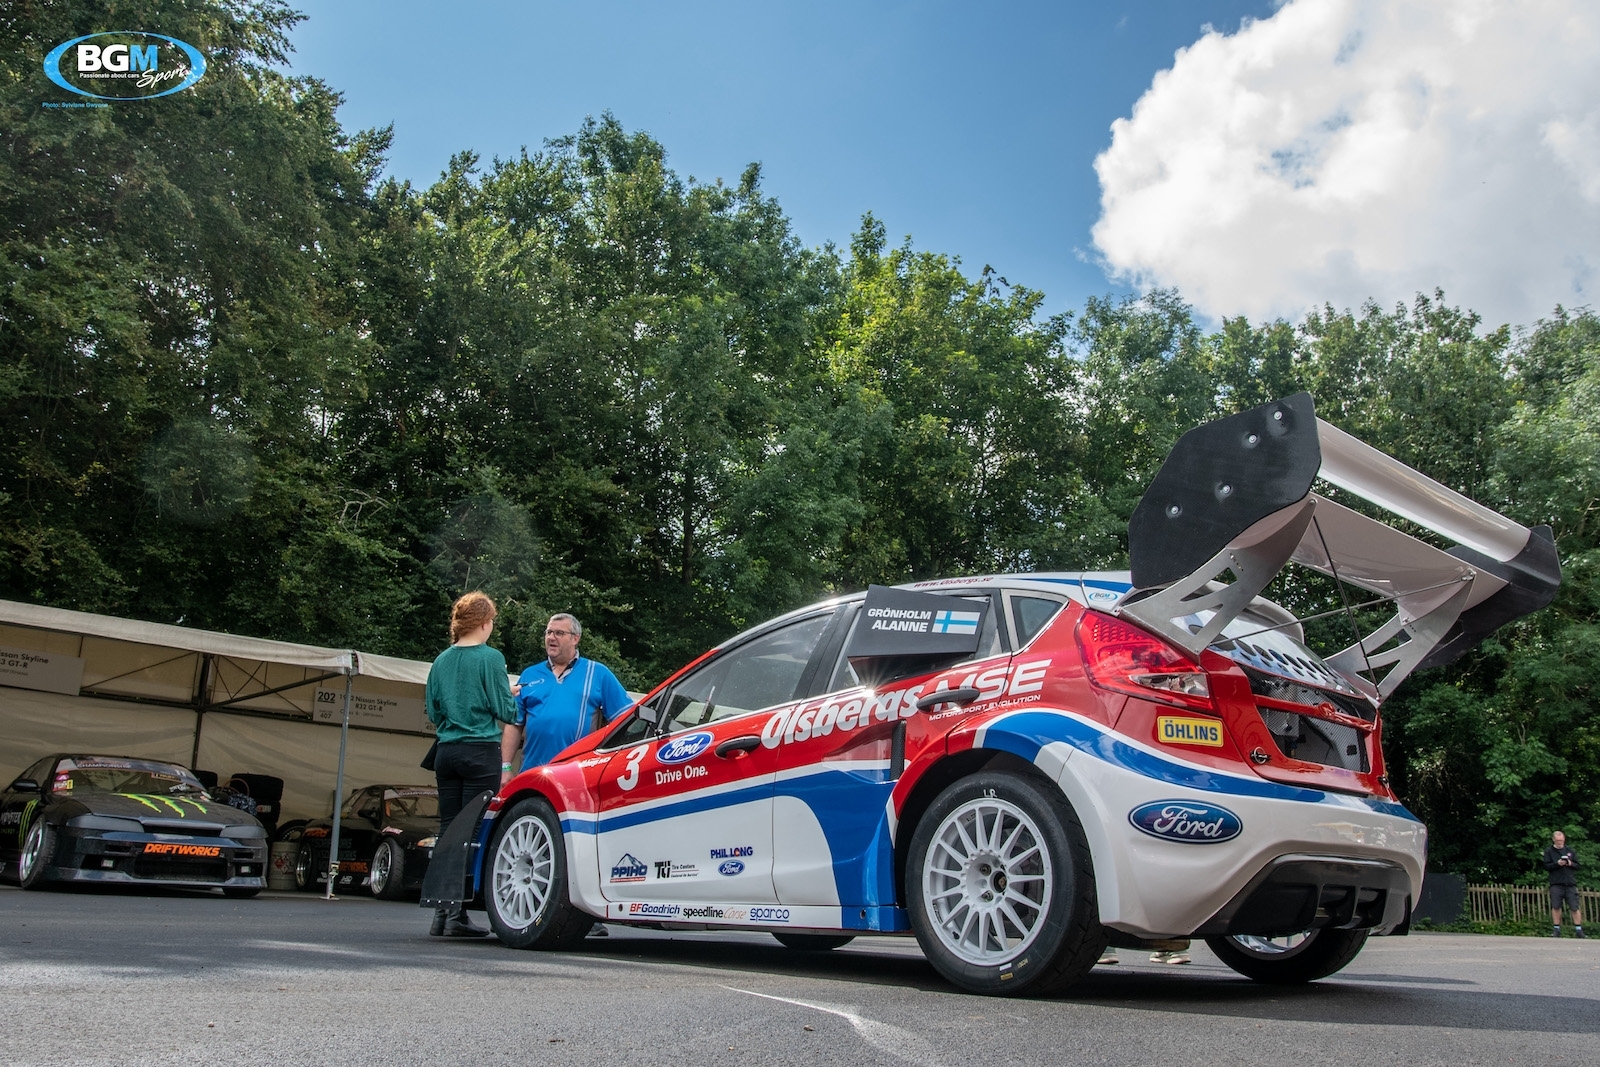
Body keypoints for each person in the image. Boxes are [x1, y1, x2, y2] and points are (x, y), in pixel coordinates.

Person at [424, 591, 519, 938]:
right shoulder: (490, 658)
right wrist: (513, 698)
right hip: (479, 750)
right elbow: (503, 710)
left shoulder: (441, 661)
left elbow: (433, 710)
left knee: (449, 830)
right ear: (484, 622)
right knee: (472, 832)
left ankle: (440, 915)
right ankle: (458, 916)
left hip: (446, 752)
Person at [501, 613, 633, 782]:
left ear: (575, 639)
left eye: (559, 633)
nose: (551, 637)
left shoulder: (597, 673)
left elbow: (625, 719)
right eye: (548, 632)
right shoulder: (530, 674)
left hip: (576, 776)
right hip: (531, 774)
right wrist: (505, 767)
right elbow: (514, 724)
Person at [1543, 830, 1585, 938]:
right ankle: (1556, 929)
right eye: (1557, 840)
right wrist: (1557, 864)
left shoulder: (1570, 850)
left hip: (1570, 883)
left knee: (1574, 906)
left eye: (1561, 840)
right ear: (1553, 840)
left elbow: (1578, 866)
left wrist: (1570, 863)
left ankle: (1579, 930)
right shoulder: (1549, 851)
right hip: (1556, 883)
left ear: (1564, 839)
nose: (1560, 842)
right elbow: (1547, 866)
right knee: (1556, 906)